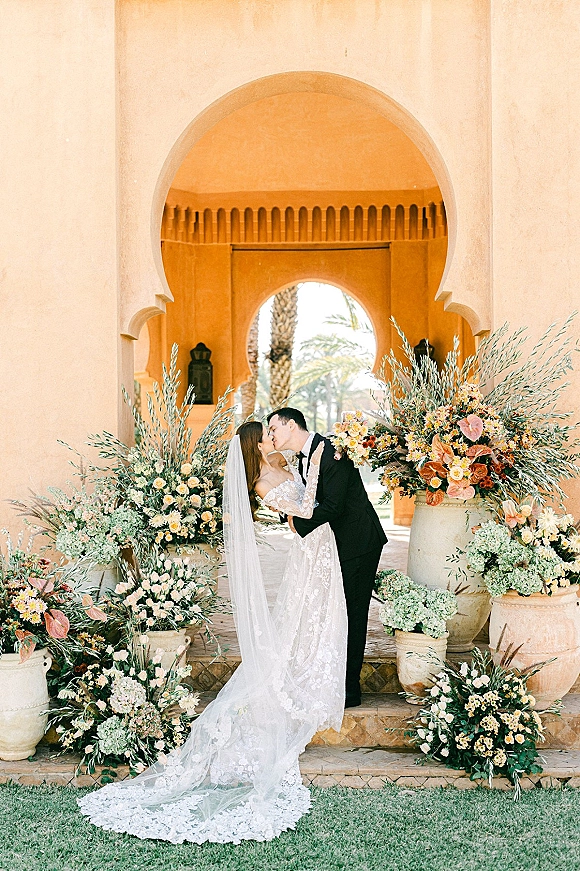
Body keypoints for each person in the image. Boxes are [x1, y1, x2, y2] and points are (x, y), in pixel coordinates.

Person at [78, 420, 347, 844]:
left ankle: (308, 667)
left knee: (310, 620)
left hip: (320, 552)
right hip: (311, 550)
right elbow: (301, 512)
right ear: (254, 445)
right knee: (303, 619)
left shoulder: (278, 463)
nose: (272, 440)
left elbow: (309, 482)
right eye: (266, 436)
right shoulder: (260, 480)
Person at [267, 408, 387, 708]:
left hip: (359, 542)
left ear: (291, 425)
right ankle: (338, 679)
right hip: (337, 546)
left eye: (273, 429)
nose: (271, 436)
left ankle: (350, 691)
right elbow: (308, 499)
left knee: (353, 614)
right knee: (340, 612)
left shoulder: (332, 450)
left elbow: (333, 505)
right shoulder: (304, 457)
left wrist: (297, 524)